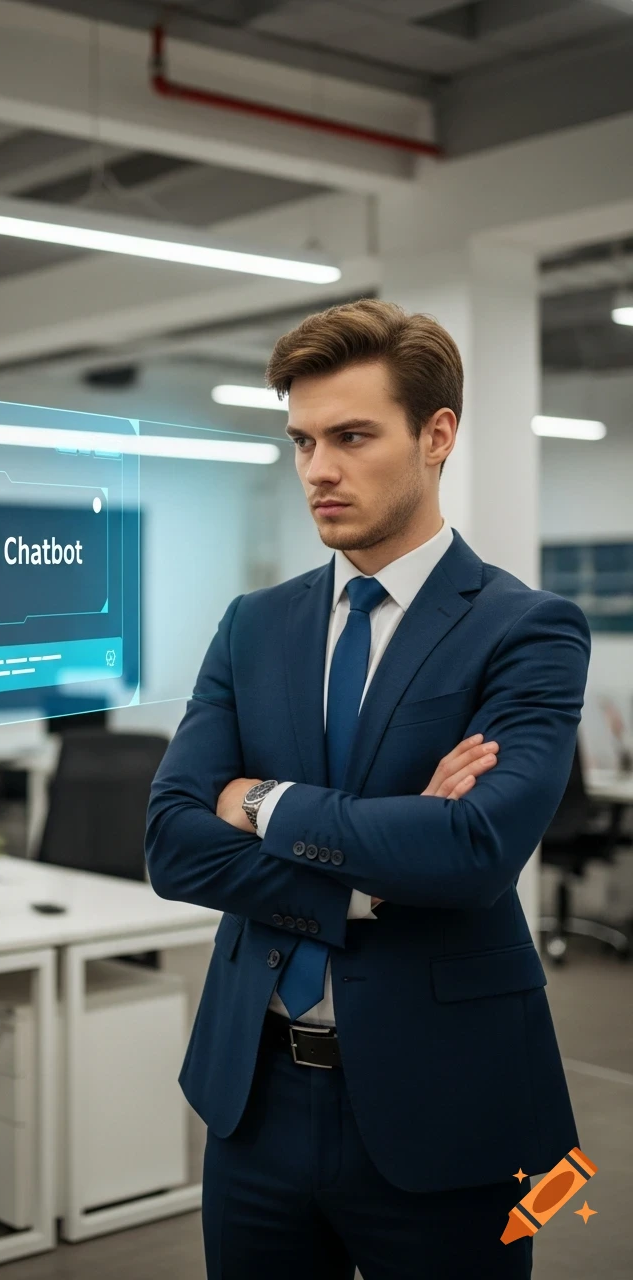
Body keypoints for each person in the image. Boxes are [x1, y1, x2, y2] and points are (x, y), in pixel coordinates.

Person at [145, 299, 591, 1280]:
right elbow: (170, 839)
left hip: (451, 1103)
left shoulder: (526, 629)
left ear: (436, 436)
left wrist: (259, 802)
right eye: (301, 438)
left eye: (350, 435)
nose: (316, 468)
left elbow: (471, 852)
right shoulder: (252, 624)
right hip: (252, 1093)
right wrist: (361, 879)